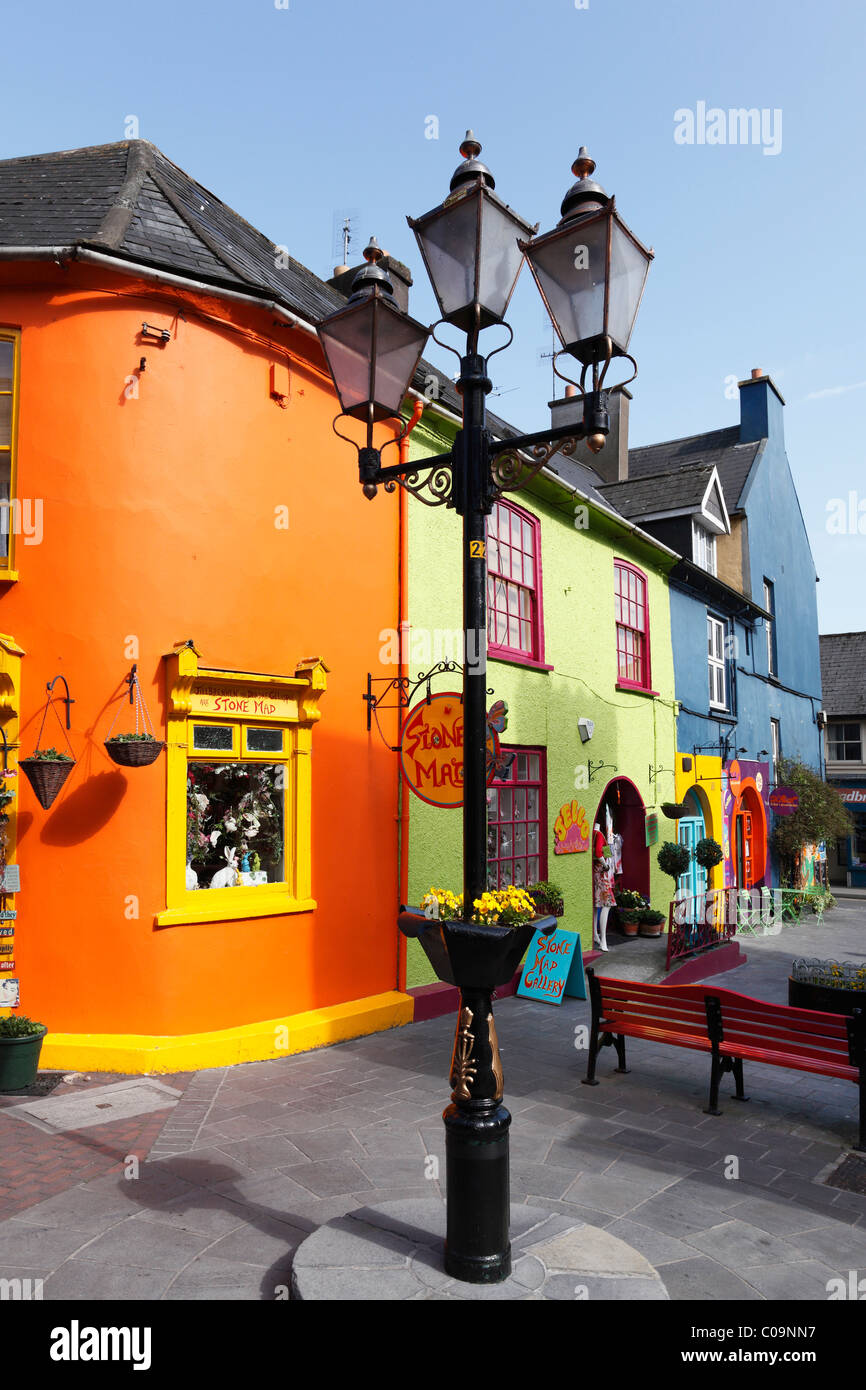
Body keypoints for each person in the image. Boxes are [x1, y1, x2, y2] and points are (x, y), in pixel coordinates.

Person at [592, 822, 615, 951]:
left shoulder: (592, 834)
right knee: (607, 904)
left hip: (594, 872)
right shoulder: (599, 834)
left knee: (597, 905)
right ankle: (603, 940)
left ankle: (596, 934)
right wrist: (605, 865)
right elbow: (598, 852)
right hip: (601, 872)